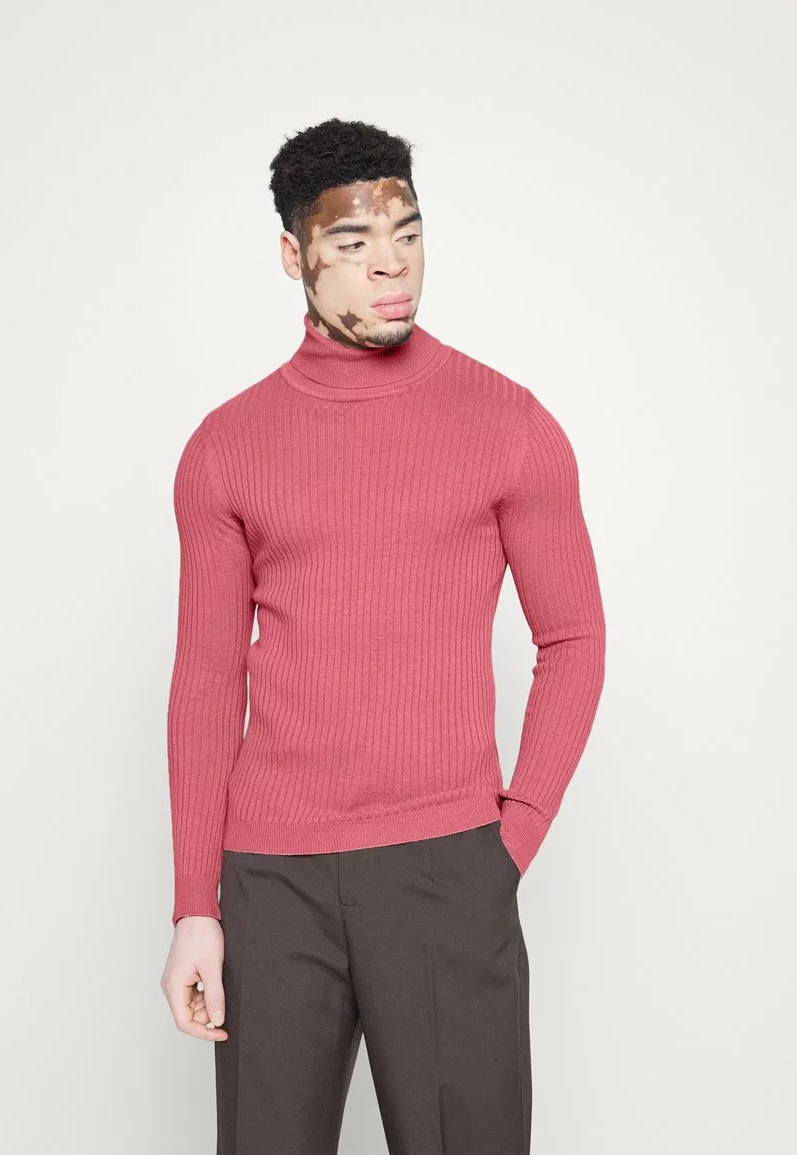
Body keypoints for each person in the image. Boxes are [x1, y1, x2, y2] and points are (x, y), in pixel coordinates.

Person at [159, 116, 606, 1155]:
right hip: (271, 881)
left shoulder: (507, 422)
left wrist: (510, 839)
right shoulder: (225, 448)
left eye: (406, 234)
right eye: (353, 243)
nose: (390, 265)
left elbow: (574, 636)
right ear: (293, 256)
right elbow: (205, 679)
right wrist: (195, 906)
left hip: (447, 870)